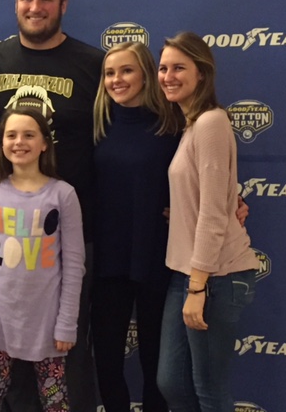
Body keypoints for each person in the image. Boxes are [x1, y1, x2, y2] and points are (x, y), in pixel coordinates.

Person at [0, 0, 104, 411]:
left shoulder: (93, 65)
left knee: (66, 350)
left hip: (69, 235)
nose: (35, 7)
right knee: (7, 360)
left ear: (63, 5)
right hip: (9, 235)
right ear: (16, 5)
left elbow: (125, 137)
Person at [156, 32, 259, 411]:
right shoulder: (191, 125)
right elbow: (204, 198)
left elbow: (214, 212)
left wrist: (198, 288)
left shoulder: (212, 122)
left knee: (209, 390)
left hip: (216, 277)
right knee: (172, 382)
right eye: (163, 68)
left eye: (179, 68)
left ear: (202, 73)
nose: (168, 76)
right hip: (186, 273)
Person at [0, 107, 85, 411]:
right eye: (11, 135)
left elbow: (74, 266)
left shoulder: (63, 195)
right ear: (1, 143)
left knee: (55, 400)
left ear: (45, 143)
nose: (19, 142)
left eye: (29, 135)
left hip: (47, 321)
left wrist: (66, 323)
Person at [91, 42, 183, 412]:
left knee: (156, 365)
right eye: (109, 73)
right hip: (107, 262)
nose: (117, 80)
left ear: (146, 74)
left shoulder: (174, 127)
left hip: (156, 259)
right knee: (107, 362)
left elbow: (201, 183)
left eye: (126, 70)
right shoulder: (97, 126)